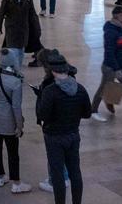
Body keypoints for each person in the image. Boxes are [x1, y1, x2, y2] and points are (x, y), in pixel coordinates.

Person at [35, 51, 90, 204]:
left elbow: (43, 115)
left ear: (52, 71)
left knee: (57, 174)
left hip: (54, 137)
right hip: (73, 134)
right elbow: (87, 113)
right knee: (75, 172)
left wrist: (39, 97)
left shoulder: (50, 91)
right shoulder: (80, 89)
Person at [0, 48, 30, 193]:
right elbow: (16, 107)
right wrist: (19, 126)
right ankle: (16, 183)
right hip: (8, 120)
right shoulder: (15, 82)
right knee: (13, 152)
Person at [0, 0, 40, 65]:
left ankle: (15, 69)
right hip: (13, 27)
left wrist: (35, 24)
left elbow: (31, 11)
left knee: (20, 52)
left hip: (23, 27)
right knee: (15, 51)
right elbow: (2, 10)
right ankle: (13, 69)